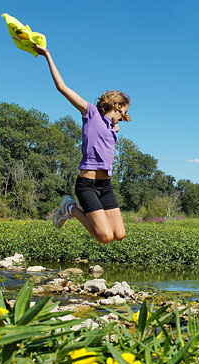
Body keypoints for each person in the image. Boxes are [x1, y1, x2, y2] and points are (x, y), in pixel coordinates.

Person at [36, 45, 129, 244]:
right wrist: (47, 56)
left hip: (105, 185)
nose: (123, 115)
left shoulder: (114, 128)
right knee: (104, 237)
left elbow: (112, 132)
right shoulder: (91, 113)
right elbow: (61, 87)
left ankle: (71, 209)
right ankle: (69, 208)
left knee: (119, 235)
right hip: (87, 185)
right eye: (123, 111)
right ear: (116, 105)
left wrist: (116, 124)